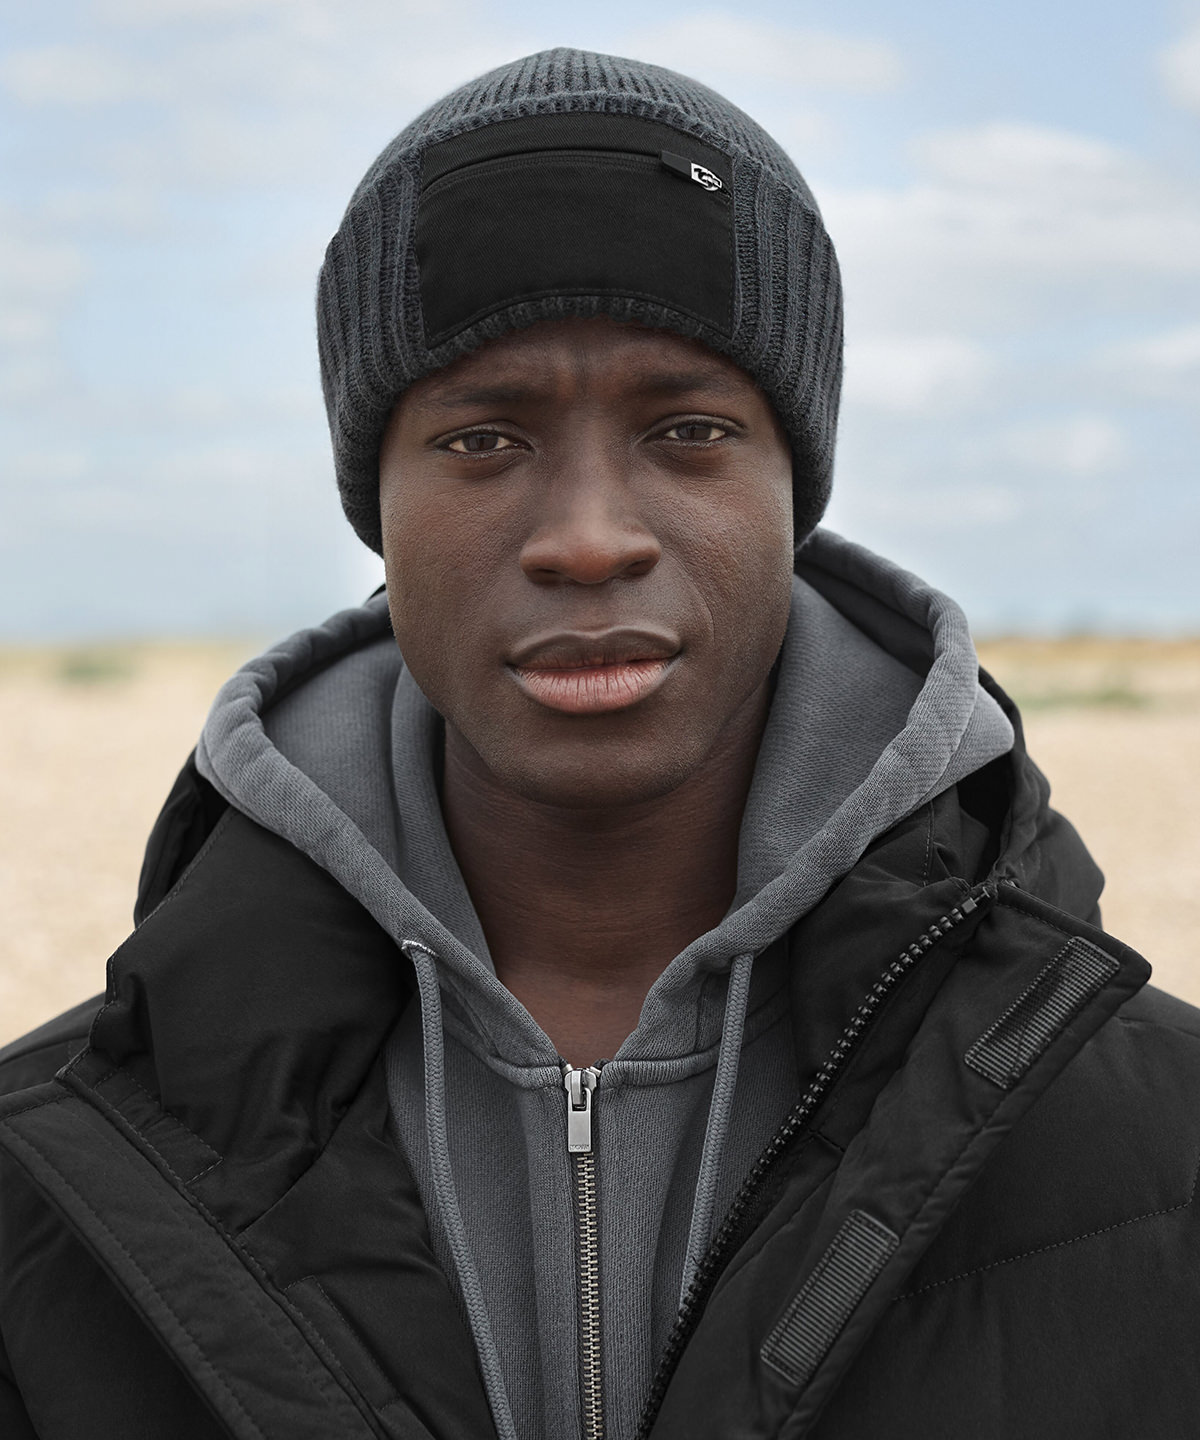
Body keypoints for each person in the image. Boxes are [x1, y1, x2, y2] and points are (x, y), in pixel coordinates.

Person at [1, 46, 1197, 1440]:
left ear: (792, 489)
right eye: (482, 439)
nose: (586, 539)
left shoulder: (1159, 1146)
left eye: (688, 430)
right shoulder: (54, 1173)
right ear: (374, 502)